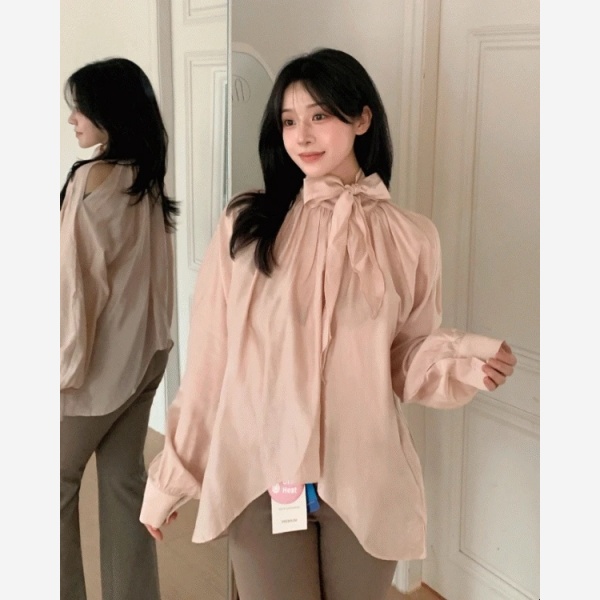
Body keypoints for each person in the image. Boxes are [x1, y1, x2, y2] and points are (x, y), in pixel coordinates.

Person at [139, 48, 517, 600]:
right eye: (289, 121)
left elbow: (403, 358)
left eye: (319, 115)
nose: (303, 136)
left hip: (365, 476)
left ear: (362, 119)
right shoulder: (247, 225)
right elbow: (210, 366)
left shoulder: (412, 237)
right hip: (260, 474)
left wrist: (461, 363)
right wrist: (173, 477)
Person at [60, 57, 178, 600]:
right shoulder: (145, 177)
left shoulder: (91, 178)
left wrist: (60, 372)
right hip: (147, 358)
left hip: (94, 370)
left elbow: (75, 292)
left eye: (80, 108)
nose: (72, 119)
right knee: (123, 482)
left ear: (109, 110)